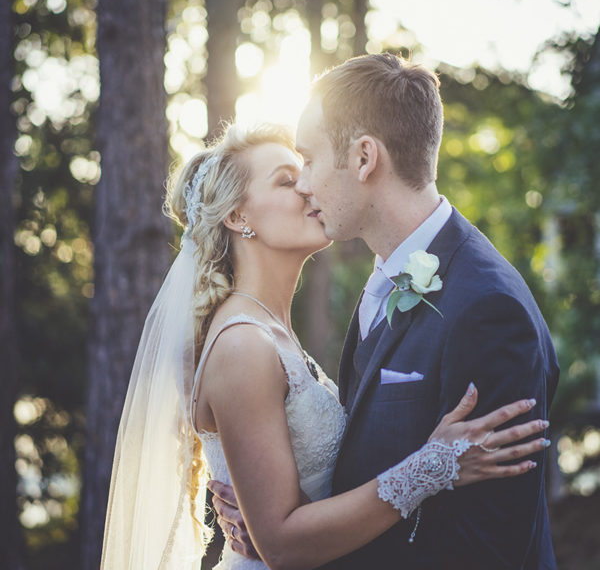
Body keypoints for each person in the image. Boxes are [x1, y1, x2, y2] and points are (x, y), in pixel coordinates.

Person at [100, 123, 550, 570]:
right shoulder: (242, 344)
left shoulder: (273, 333)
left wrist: (267, 516)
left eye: (306, 173)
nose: (308, 189)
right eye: (286, 180)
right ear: (238, 217)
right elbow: (280, 545)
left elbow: (293, 509)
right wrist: (431, 468)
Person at [211, 54, 560, 569]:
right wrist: (286, 522)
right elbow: (366, 457)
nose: (304, 184)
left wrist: (291, 543)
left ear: (364, 158)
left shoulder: (488, 308)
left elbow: (487, 546)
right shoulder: (387, 276)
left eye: (309, 159)